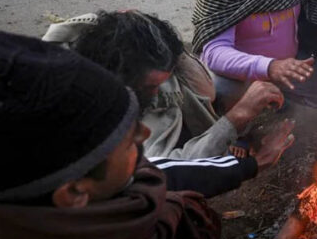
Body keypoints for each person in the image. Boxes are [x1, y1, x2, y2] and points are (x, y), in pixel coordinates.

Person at [0, 32, 294, 239]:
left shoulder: (15, 209)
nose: (143, 134)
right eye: (127, 139)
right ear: (75, 193)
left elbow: (165, 169)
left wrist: (249, 164)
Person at [43, 10, 285, 160]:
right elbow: (168, 169)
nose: (159, 92)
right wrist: (237, 117)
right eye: (150, 87)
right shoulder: (93, 107)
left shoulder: (109, 34)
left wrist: (174, 50)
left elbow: (203, 89)